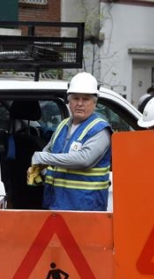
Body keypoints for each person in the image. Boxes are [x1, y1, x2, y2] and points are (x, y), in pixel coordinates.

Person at [28, 72, 112, 211]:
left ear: (95, 102)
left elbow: (84, 159)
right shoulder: (63, 125)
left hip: (85, 208)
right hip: (56, 205)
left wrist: (43, 158)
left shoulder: (100, 129)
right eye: (75, 98)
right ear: (69, 101)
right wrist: (38, 172)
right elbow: (47, 153)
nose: (80, 103)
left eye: (85, 99)